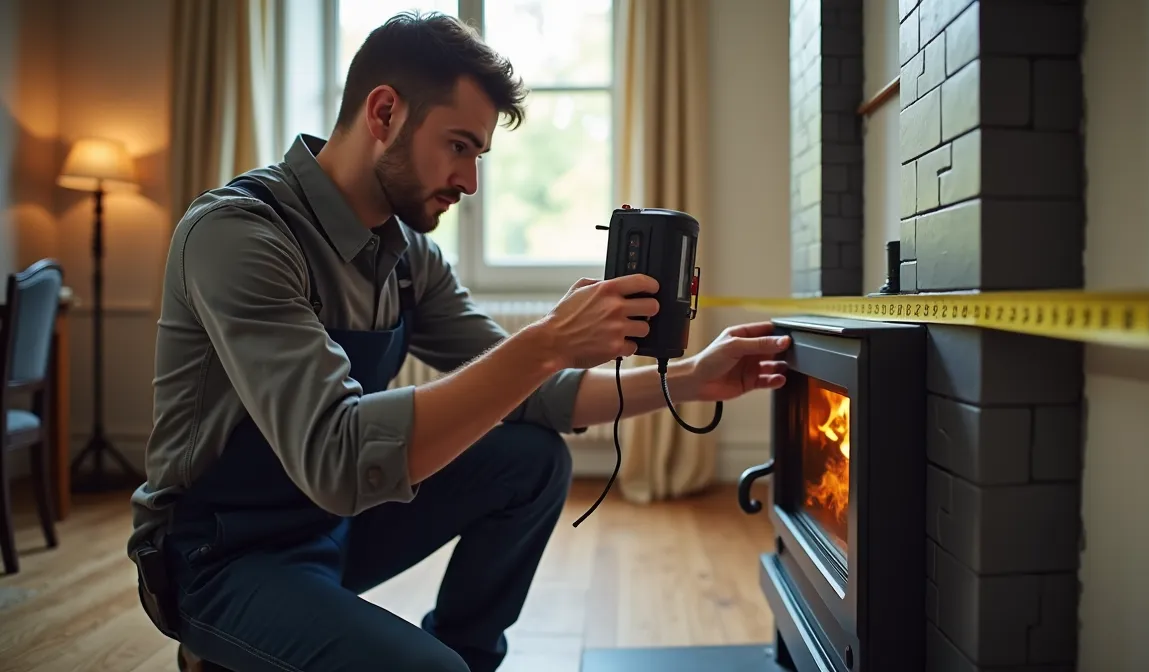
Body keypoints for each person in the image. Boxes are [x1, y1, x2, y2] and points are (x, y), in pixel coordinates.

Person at [126, 10, 790, 672]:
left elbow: (541, 396)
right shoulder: (241, 235)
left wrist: (695, 377)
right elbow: (337, 458)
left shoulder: (410, 257)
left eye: (478, 155)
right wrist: (546, 344)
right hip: (219, 555)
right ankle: (222, 645)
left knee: (531, 459)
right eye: (459, 146)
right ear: (384, 112)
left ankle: (461, 655)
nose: (471, 182)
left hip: (331, 527)